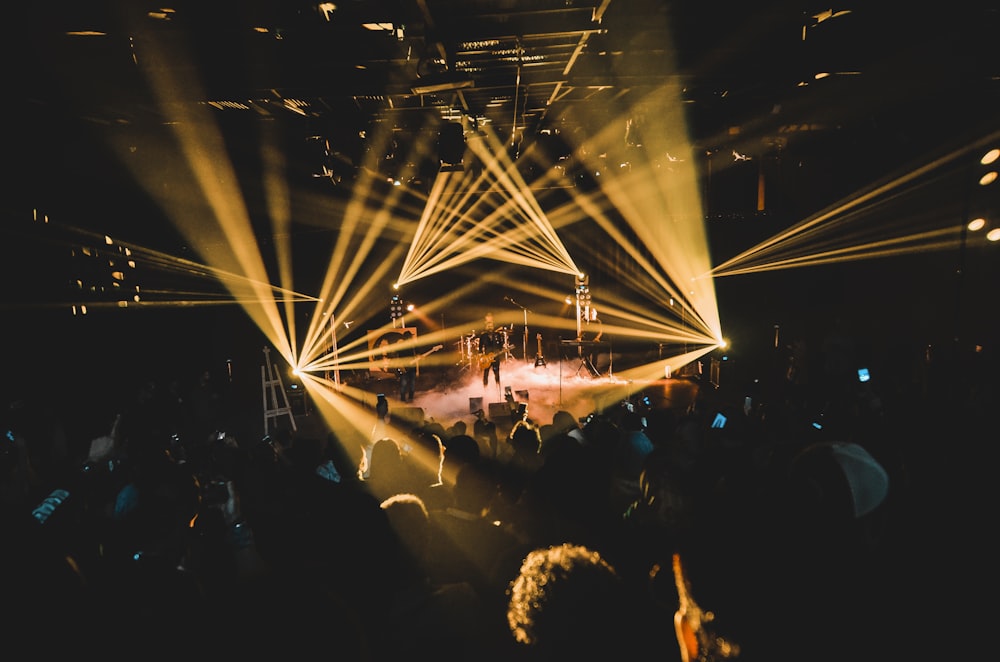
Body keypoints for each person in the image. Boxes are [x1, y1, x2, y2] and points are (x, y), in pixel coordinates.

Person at [477, 313, 504, 393]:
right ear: (486, 326)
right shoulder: (483, 336)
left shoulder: (498, 335)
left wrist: (500, 352)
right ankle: (485, 390)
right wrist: (482, 357)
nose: (490, 326)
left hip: (496, 358)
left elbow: (501, 347)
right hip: (486, 358)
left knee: (497, 374)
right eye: (488, 325)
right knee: (486, 374)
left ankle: (498, 390)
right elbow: (480, 348)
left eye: (491, 325)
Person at [395, 330, 417, 402]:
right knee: (405, 384)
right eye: (410, 336)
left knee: (411, 384)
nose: (411, 338)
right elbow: (400, 358)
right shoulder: (403, 346)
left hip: (411, 368)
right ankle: (403, 399)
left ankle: (410, 398)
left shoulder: (412, 346)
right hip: (405, 368)